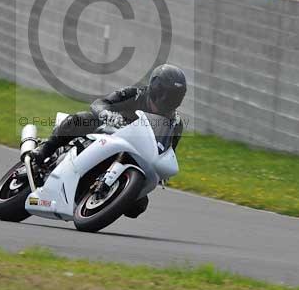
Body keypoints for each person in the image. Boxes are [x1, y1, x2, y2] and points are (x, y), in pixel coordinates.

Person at [29, 64, 188, 218]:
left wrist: (163, 172)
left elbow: (168, 150)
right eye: (167, 93)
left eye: (175, 96)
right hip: (108, 134)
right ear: (156, 87)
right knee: (81, 119)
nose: (169, 99)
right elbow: (100, 103)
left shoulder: (175, 123)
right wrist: (105, 113)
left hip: (136, 155)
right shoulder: (135, 94)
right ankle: (44, 151)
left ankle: (106, 198)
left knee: (138, 206)